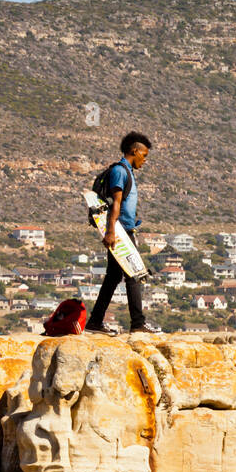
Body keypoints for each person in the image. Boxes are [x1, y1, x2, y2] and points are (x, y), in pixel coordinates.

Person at [87, 131, 161, 334]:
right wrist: (110, 232)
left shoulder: (127, 171)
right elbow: (116, 204)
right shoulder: (120, 171)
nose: (144, 160)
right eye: (144, 155)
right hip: (119, 231)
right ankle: (138, 323)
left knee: (113, 277)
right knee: (134, 275)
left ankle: (95, 322)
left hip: (123, 230)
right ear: (135, 151)